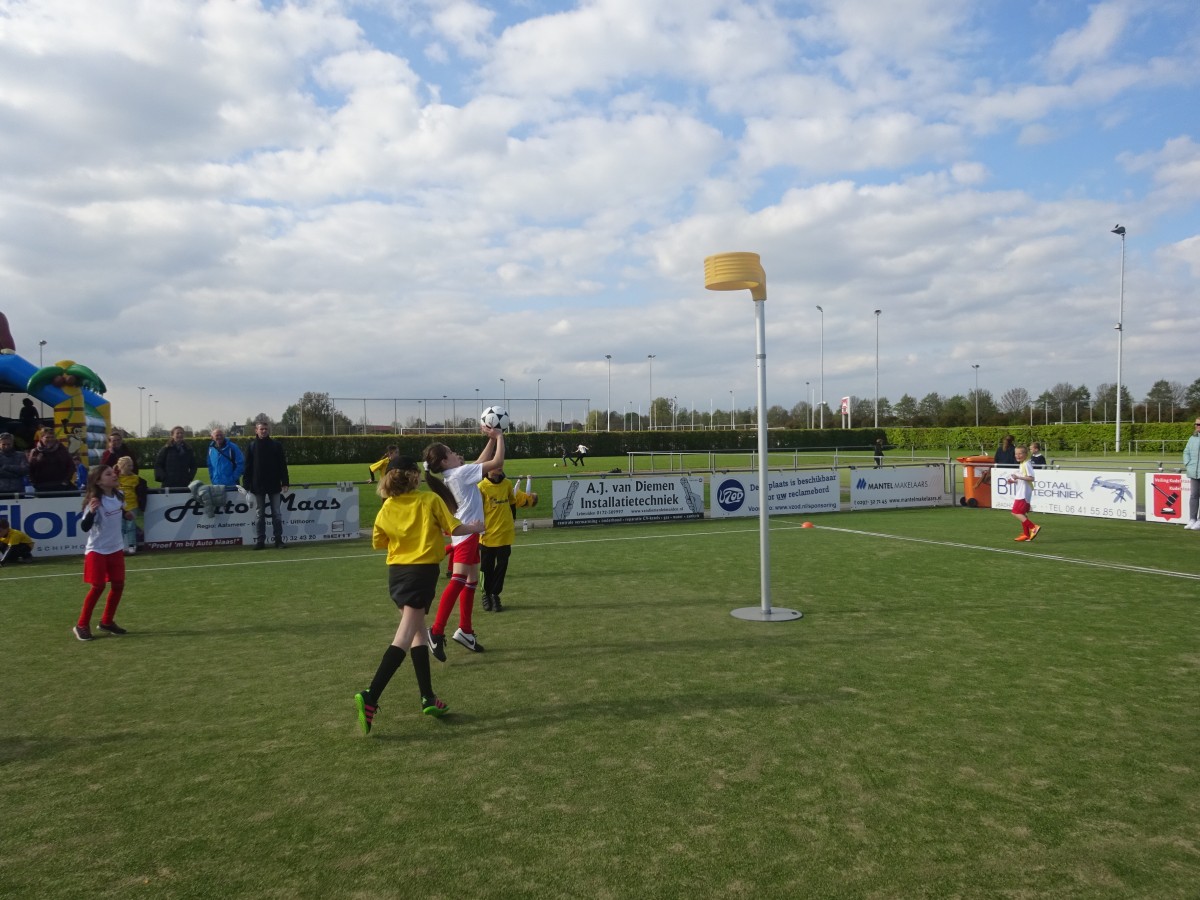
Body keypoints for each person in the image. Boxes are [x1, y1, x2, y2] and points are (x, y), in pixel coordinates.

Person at [353, 456, 485, 735]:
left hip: (396, 575)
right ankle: (371, 695)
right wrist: (475, 527)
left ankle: (427, 697)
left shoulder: (387, 507)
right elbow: (455, 528)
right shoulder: (429, 500)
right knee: (403, 637)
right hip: (420, 574)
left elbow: (379, 542)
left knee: (418, 635)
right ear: (414, 476)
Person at [422, 424, 505, 659]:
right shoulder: (459, 474)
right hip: (467, 535)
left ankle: (465, 631)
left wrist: (490, 439)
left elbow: (479, 462)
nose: (454, 453)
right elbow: (497, 462)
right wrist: (499, 437)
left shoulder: (454, 474)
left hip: (467, 534)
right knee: (458, 582)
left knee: (470, 581)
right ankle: (436, 631)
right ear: (444, 461)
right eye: (450, 452)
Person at [73, 465, 133, 641]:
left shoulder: (118, 495)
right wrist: (91, 513)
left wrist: (126, 514)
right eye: (108, 474)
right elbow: (85, 527)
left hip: (115, 548)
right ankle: (81, 625)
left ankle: (107, 621)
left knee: (118, 585)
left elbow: (119, 509)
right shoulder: (95, 501)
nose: (114, 475)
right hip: (97, 550)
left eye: (113, 472)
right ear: (98, 481)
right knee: (98, 587)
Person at [478, 469, 538, 612]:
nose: (499, 468)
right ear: (488, 467)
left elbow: (512, 502)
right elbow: (476, 509)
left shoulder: (507, 484)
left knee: (502, 565)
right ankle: (486, 594)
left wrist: (513, 520)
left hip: (505, 533)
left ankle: (495, 594)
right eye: (496, 465)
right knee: (486, 567)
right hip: (487, 535)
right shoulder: (481, 487)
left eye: (501, 465)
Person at [243, 416, 290, 549]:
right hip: (257, 485)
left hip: (274, 484)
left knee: (276, 513)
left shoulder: (276, 445)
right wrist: (246, 485)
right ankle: (260, 541)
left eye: (265, 429)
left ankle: (278, 540)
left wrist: (285, 481)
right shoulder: (251, 446)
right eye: (261, 429)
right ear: (256, 430)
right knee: (260, 514)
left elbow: (282, 465)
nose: (263, 431)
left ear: (268, 430)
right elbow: (247, 467)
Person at [1006, 446, 1041, 543]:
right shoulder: (1022, 464)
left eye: (1020, 453)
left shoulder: (1026, 464)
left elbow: (1031, 478)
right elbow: (1024, 479)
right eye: (1016, 454)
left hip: (1023, 493)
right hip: (1023, 492)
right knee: (1022, 514)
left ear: (1026, 454)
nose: (1017, 455)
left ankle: (1033, 527)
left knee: (1015, 512)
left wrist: (1018, 477)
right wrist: (1014, 481)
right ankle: (1026, 535)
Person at [28, 429, 76, 494]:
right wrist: (34, 483)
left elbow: (71, 466)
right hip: (42, 487)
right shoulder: (35, 452)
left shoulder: (62, 450)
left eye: (52, 437)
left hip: (61, 486)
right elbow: (30, 468)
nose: (50, 439)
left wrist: (66, 481)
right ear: (41, 438)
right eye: (47, 437)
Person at [115, 456, 143, 554]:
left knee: (131, 526)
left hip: (132, 505)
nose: (131, 468)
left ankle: (132, 546)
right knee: (121, 527)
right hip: (119, 506)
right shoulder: (116, 478)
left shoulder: (135, 478)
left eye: (132, 466)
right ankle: (121, 546)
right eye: (129, 466)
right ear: (122, 466)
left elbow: (140, 490)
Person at [1184, 417, 1200, 530]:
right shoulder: (1192, 438)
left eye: (1199, 424)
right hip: (1193, 471)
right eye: (1196, 424)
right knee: (1194, 495)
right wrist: (1187, 463)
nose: (1197, 426)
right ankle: (1192, 519)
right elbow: (1186, 452)